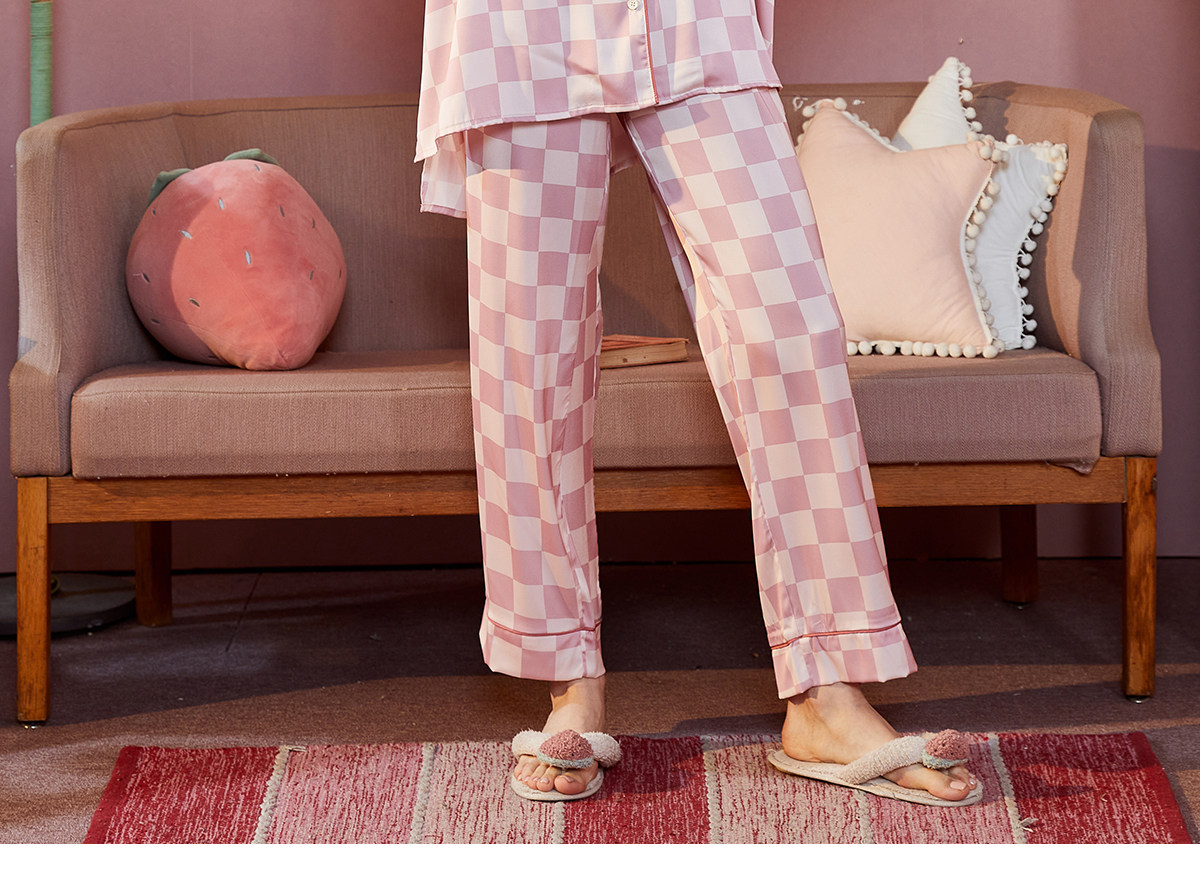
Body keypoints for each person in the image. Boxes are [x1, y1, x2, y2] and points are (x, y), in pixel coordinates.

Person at [416, 0, 980, 806]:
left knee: (787, 326)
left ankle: (826, 694)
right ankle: (569, 684)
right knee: (530, 355)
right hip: (521, 25)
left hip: (690, 18)